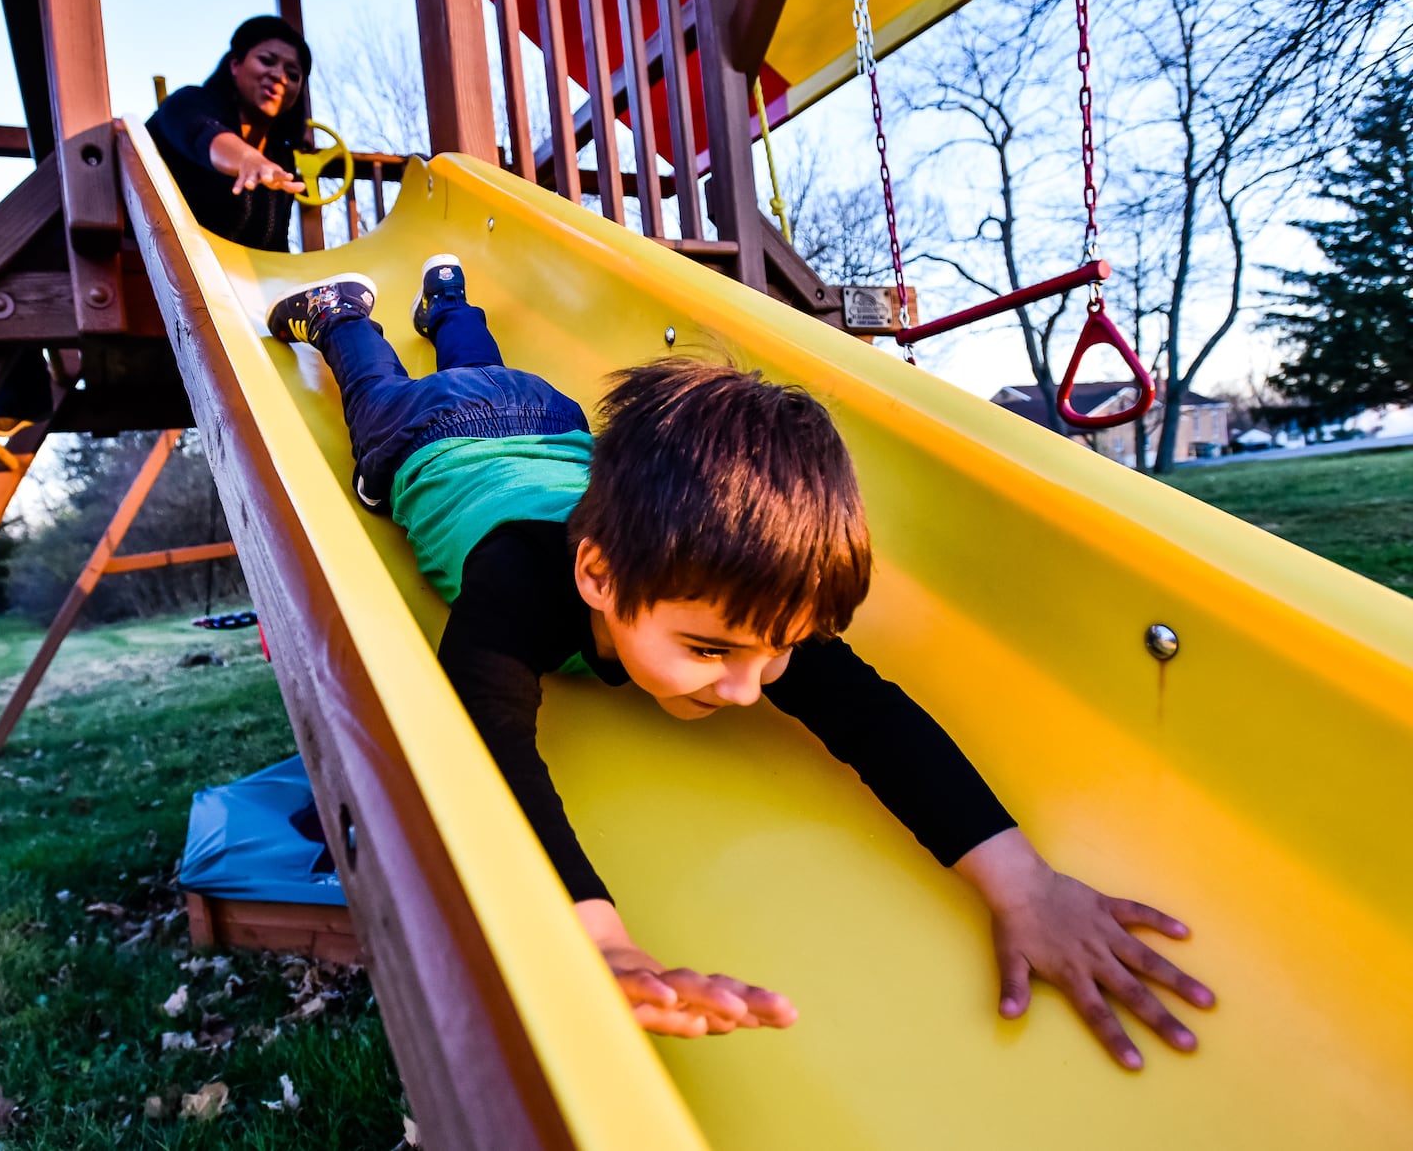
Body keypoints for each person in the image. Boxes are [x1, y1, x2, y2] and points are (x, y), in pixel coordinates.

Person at [264, 259, 1217, 1063]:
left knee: (484, 376)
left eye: (778, 654)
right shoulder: (518, 580)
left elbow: (873, 717)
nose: (747, 685)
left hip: (551, 423)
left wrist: (1024, 882)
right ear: (594, 574)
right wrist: (602, 940)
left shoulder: (732, 598)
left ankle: (448, 307)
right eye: (709, 652)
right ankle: (351, 322)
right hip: (432, 441)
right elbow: (493, 747)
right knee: (381, 404)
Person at [147, 16, 312, 251]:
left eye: (293, 74)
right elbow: (202, 133)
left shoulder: (282, 156)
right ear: (235, 64)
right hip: (169, 266)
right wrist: (248, 159)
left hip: (250, 282)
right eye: (266, 61)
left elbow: (275, 246)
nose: (279, 76)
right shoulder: (187, 103)